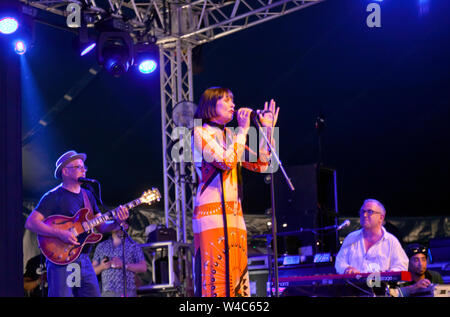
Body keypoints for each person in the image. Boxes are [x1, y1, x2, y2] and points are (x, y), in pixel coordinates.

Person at [191, 86, 279, 297]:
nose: (233, 105)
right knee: (217, 278)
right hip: (211, 215)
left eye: (233, 100)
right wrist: (243, 130)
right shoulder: (199, 132)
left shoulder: (231, 135)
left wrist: (267, 130)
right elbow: (226, 161)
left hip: (234, 215)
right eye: (227, 100)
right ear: (211, 105)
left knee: (237, 279)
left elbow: (263, 164)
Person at [24, 150, 129, 297]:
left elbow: (101, 226)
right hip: (61, 260)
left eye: (83, 167)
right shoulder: (53, 196)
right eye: (78, 167)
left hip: (83, 259)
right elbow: (31, 223)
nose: (83, 170)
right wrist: (60, 233)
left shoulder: (88, 195)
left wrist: (117, 221)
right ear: (65, 171)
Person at [335, 199, 408, 274]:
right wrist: (347, 268)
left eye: (370, 212)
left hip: (379, 284)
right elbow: (339, 262)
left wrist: (389, 273)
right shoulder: (351, 238)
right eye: (362, 211)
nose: (364, 215)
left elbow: (401, 266)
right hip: (353, 285)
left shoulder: (391, 241)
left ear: (381, 218)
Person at [92, 222, 147, 297]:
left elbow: (143, 267)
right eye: (114, 221)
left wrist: (124, 265)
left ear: (126, 225)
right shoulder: (101, 246)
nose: (116, 223)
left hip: (127, 291)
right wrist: (102, 266)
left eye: (120, 221)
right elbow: (92, 271)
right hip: (107, 292)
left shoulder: (133, 245)